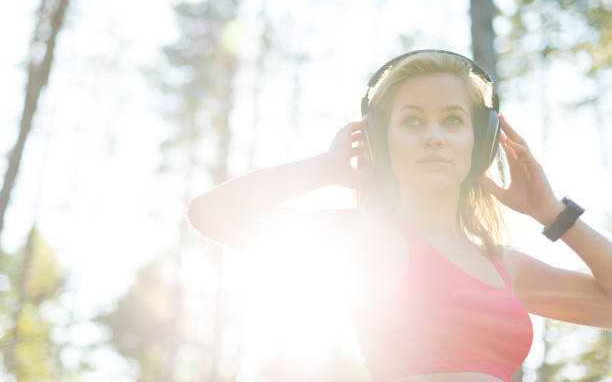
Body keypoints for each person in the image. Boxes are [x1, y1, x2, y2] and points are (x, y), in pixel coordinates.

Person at [186, 50, 612, 382]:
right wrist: (323, 169)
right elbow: (212, 213)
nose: (433, 137)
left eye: (452, 120)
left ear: (479, 141)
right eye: (411, 121)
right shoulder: (366, 239)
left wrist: (553, 213)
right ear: (380, 141)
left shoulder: (505, 267)